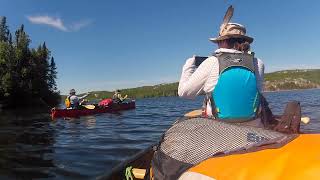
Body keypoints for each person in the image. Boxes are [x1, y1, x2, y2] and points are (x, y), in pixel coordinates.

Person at [178, 6, 264, 126]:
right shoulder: (258, 63)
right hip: (253, 125)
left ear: (223, 41)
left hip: (220, 129)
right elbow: (257, 91)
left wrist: (188, 65)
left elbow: (184, 93)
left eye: (218, 41)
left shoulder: (212, 61)